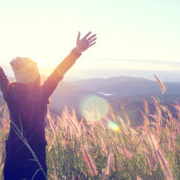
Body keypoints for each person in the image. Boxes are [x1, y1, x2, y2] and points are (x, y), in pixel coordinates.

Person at [0, 32, 97, 180]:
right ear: (35, 75)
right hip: (36, 159)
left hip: (13, 159)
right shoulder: (41, 94)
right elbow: (59, 72)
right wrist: (76, 51)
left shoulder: (9, 93)